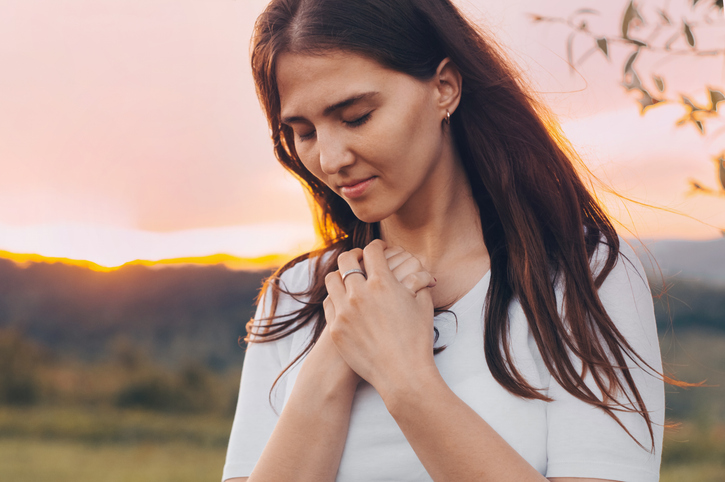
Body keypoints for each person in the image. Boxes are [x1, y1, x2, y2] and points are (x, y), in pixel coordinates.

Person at [223, 0, 666, 480]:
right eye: (303, 132)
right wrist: (331, 359)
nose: (330, 159)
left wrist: (404, 379)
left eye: (355, 117)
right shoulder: (295, 297)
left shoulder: (581, 275)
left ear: (444, 87)